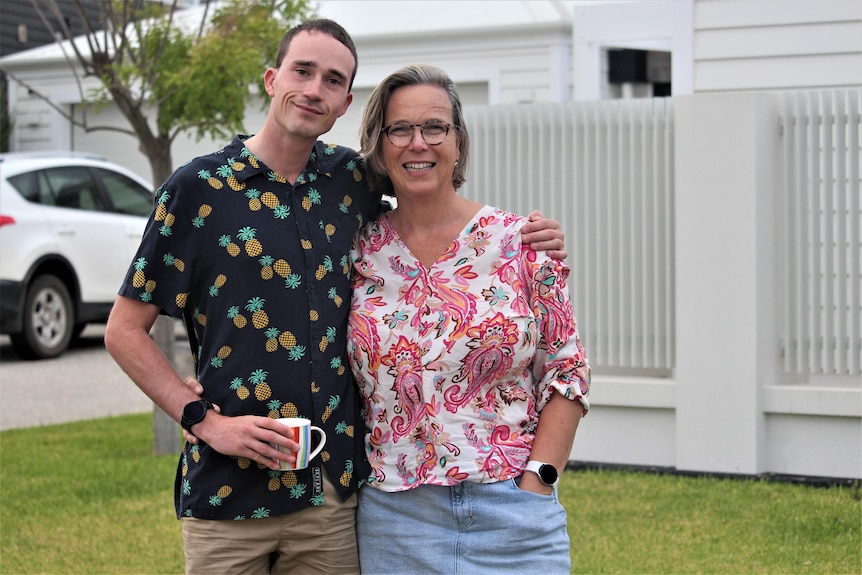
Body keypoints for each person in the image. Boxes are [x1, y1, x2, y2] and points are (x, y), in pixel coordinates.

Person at [105, 19, 567, 575]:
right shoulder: (198, 189)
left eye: (332, 80)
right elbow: (123, 330)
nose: (313, 89)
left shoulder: (354, 183)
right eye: (302, 71)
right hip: (226, 494)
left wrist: (530, 236)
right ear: (272, 78)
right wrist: (200, 417)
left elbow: (432, 196)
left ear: (345, 103)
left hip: (330, 499)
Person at [346, 64, 591, 575]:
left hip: (515, 514)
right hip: (395, 519)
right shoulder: (355, 251)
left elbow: (567, 370)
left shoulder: (521, 243)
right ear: (379, 143)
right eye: (400, 129)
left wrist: (539, 479)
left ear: (458, 141)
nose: (419, 143)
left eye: (435, 127)